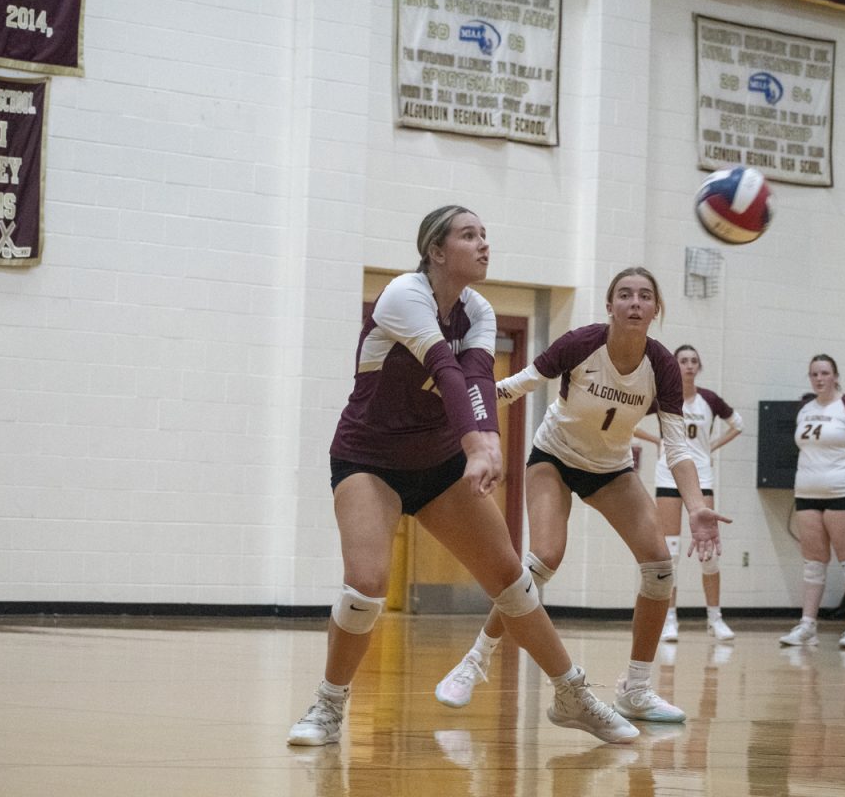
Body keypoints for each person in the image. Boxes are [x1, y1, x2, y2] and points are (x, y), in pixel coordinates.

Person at [287, 206, 639, 746]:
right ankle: (328, 706)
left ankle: (573, 694)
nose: (483, 245)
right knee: (367, 583)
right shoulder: (404, 295)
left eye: (485, 235)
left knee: (510, 580)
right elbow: (444, 370)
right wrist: (479, 444)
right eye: (468, 235)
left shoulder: (478, 310)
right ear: (435, 251)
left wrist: (487, 443)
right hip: (369, 459)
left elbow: (477, 376)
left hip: (438, 463)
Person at [433, 266, 727, 724]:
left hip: (610, 468)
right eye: (625, 295)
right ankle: (476, 660)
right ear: (609, 306)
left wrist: (696, 507)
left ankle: (637, 689)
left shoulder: (663, 366)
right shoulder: (582, 342)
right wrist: (462, 414)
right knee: (543, 558)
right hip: (555, 455)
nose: (634, 303)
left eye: (645, 296)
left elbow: (677, 445)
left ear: (655, 309)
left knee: (659, 568)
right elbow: (518, 385)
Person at [637, 345, 743, 642]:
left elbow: (738, 424)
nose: (689, 365)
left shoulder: (709, 399)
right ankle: (670, 619)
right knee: (670, 551)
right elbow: (629, 422)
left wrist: (712, 447)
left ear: (700, 366)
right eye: (683, 361)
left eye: (694, 361)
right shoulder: (662, 396)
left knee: (709, 550)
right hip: (667, 473)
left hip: (701, 476)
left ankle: (715, 618)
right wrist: (656, 440)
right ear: (674, 365)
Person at [781, 354, 845, 649]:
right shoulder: (805, 408)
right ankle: (807, 625)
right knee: (813, 562)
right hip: (807, 492)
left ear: (836, 376)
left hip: (843, 491)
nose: (819, 378)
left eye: (825, 373)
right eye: (814, 374)